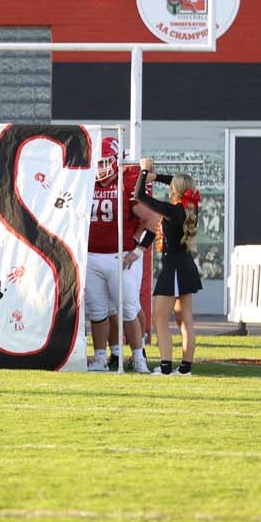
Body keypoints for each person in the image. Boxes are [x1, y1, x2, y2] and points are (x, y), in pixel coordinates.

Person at [83, 137, 153, 374]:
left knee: (129, 308)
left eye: (105, 162)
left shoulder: (127, 181)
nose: (100, 168)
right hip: (92, 255)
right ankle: (101, 357)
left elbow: (151, 220)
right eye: (98, 162)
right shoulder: (86, 183)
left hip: (119, 256)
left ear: (116, 161)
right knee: (98, 311)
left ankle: (138, 356)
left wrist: (138, 250)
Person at [134, 159, 201, 376]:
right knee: (185, 320)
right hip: (186, 265)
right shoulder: (191, 207)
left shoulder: (173, 211)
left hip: (174, 268)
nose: (169, 187)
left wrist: (144, 171)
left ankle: (164, 368)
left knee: (160, 319)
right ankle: (185, 369)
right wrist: (158, 177)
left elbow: (140, 197)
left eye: (172, 186)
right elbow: (178, 181)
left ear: (177, 190)